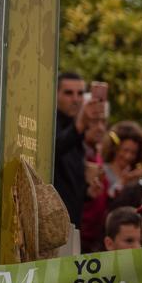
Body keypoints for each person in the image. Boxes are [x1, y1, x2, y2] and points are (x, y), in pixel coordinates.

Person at [54, 71, 107, 228]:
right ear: (55, 94)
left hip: (71, 225)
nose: (76, 99)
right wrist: (80, 125)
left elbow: (66, 181)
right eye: (68, 93)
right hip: (53, 227)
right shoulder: (51, 122)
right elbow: (53, 152)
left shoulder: (76, 129)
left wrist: (87, 193)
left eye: (80, 93)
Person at [102, 121, 142, 202]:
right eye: (125, 150)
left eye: (133, 152)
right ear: (115, 149)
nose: (127, 156)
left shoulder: (136, 178)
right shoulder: (103, 171)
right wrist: (123, 182)